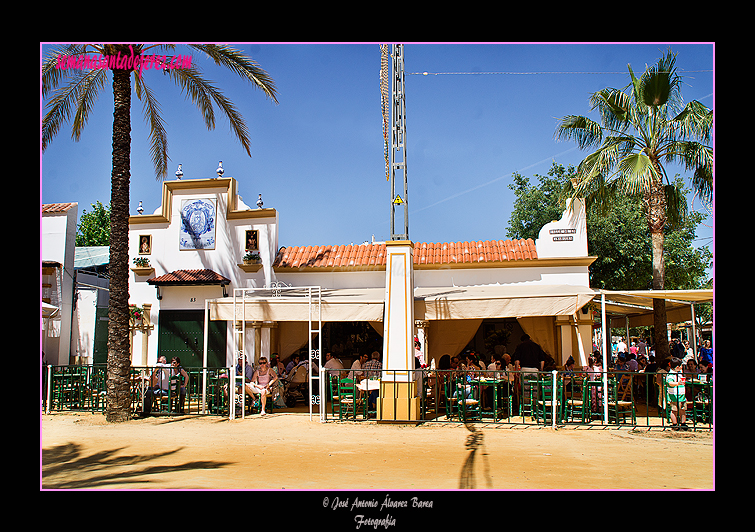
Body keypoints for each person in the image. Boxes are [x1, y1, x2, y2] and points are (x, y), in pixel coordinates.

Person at [665, 357, 688, 431]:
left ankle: (683, 423)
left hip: (681, 394)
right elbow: (670, 383)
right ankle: (675, 424)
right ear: (677, 367)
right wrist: (677, 383)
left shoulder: (679, 374)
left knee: (683, 409)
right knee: (674, 410)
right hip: (674, 395)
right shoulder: (671, 375)